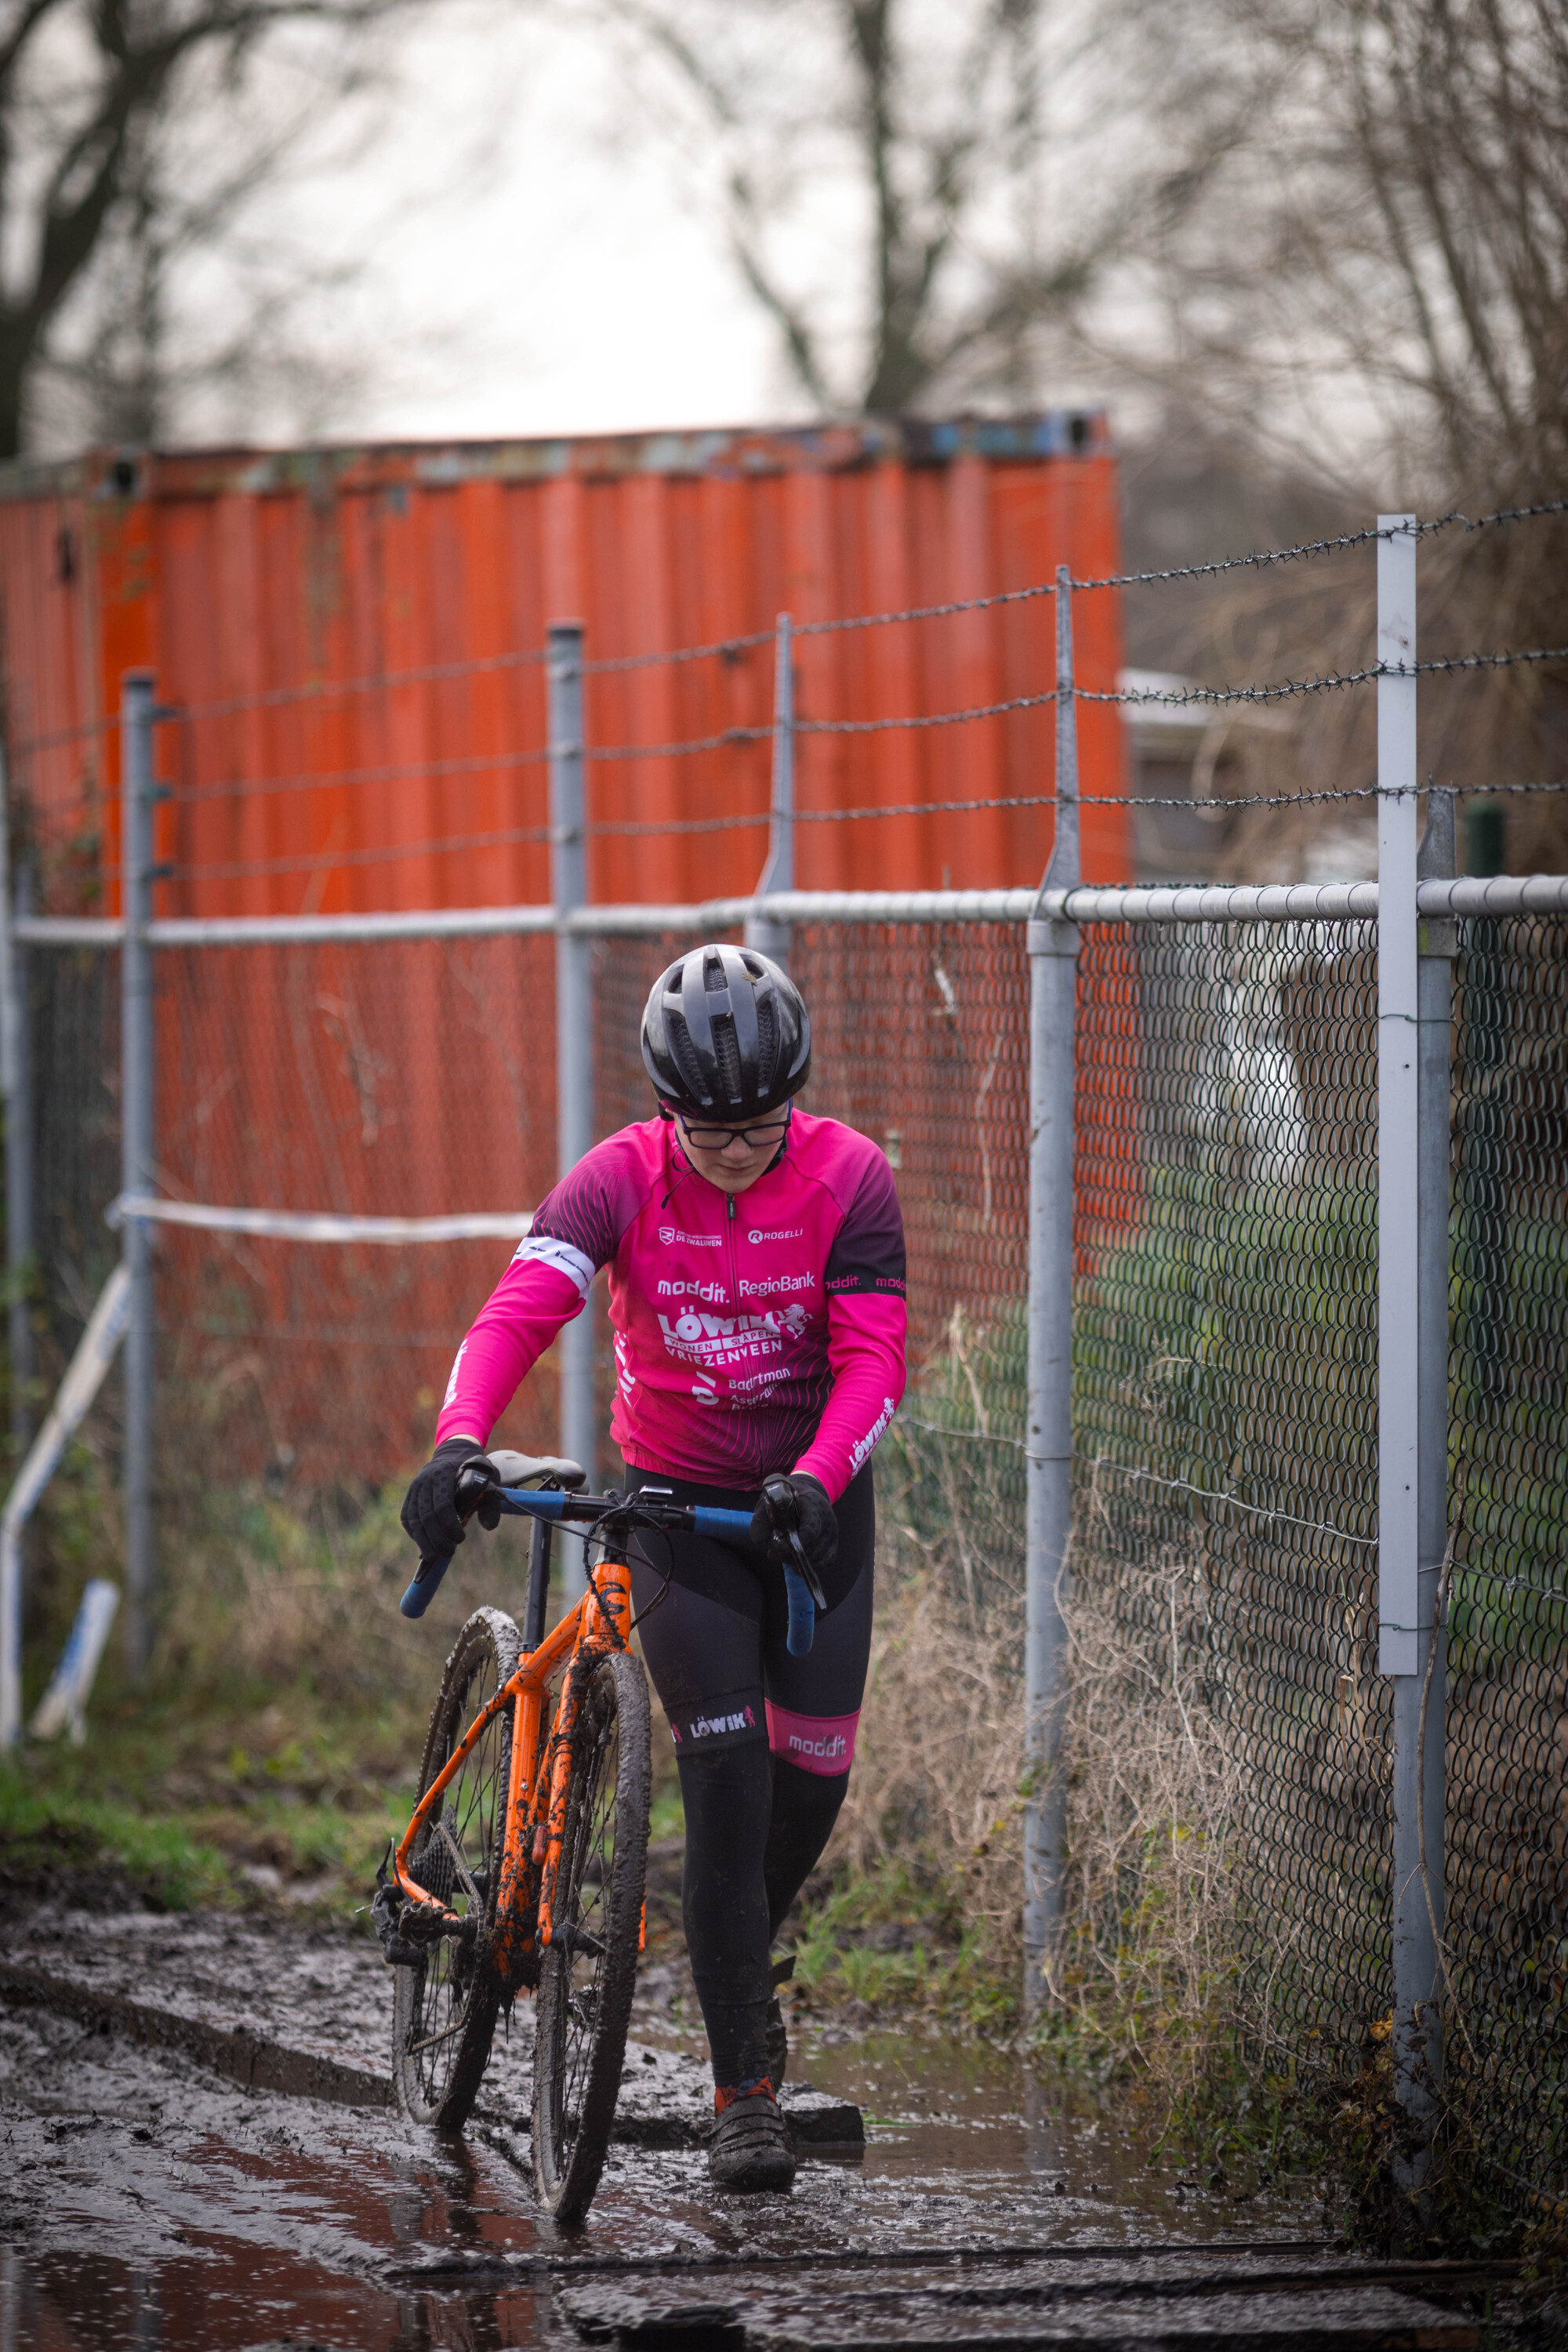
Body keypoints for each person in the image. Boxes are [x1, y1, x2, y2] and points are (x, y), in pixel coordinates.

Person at [400, 944, 907, 2194]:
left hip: (810, 1507)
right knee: (725, 1786)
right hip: (677, 1514)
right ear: (663, 1108)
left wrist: (817, 1478)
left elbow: (876, 1361)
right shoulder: (616, 1181)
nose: (736, 1150)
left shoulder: (852, 1179)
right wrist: (460, 1438)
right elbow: (520, 1309)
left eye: (759, 1128)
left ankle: (731, 1951)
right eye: (708, 1131)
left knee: (811, 1787)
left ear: (797, 1098)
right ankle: (748, 2091)